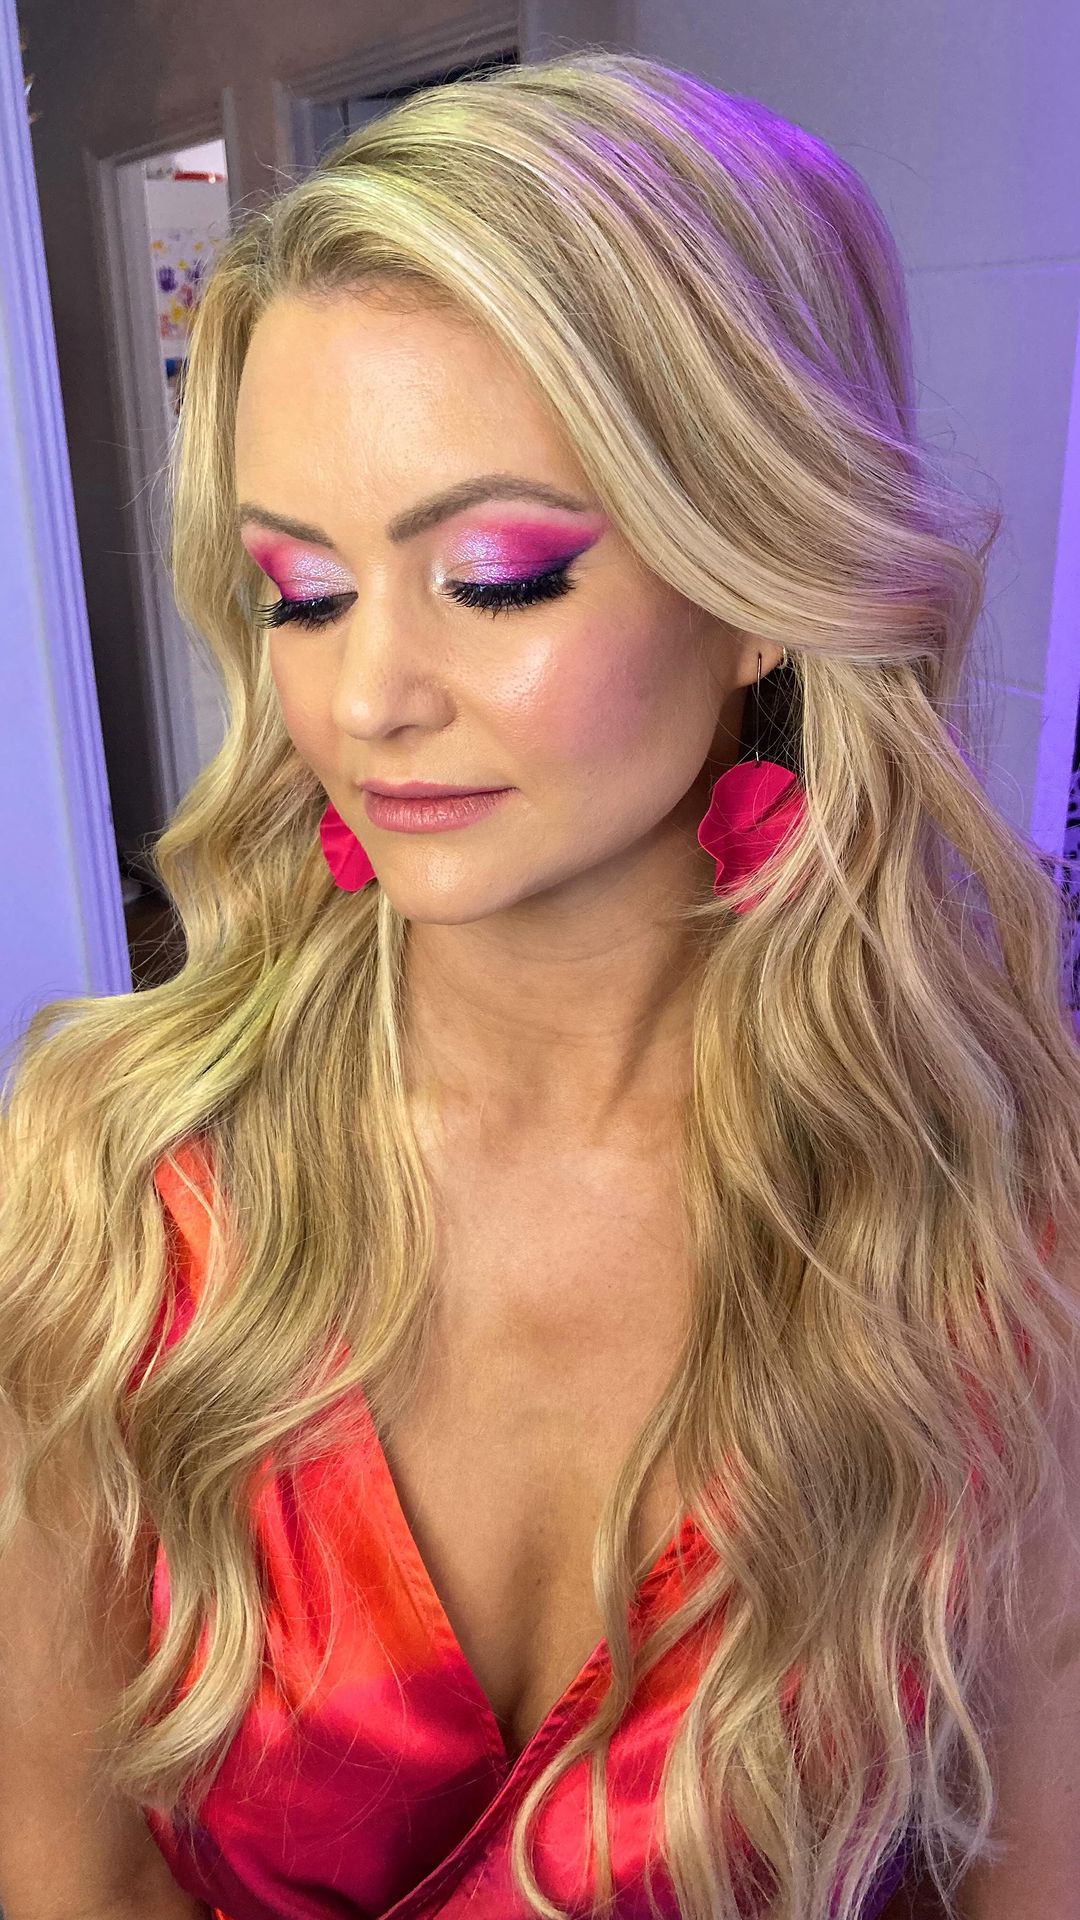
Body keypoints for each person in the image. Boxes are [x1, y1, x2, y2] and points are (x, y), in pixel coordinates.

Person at [2, 46, 1080, 1920]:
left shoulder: (994, 1220)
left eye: (497, 575)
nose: (364, 700)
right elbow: (58, 1862)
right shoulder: (114, 1175)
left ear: (758, 583)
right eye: (301, 591)